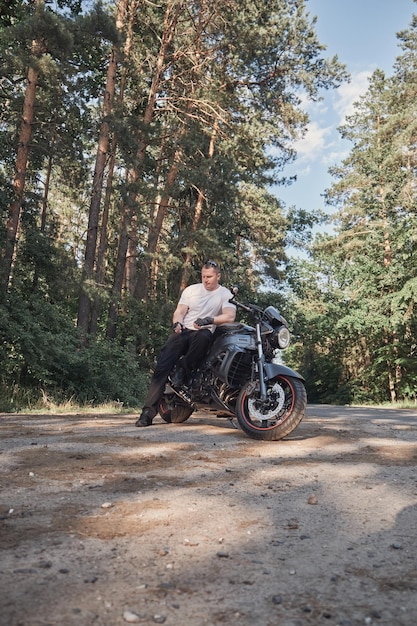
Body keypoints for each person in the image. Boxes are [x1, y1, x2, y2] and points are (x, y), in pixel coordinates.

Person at [135, 260, 236, 427]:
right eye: (203, 276)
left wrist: (209, 320)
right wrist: (177, 323)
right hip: (184, 331)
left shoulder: (225, 294)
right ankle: (147, 413)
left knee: (204, 336)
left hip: (203, 333)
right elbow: (180, 310)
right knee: (162, 366)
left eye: (209, 277)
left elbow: (229, 316)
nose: (206, 280)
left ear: (218, 276)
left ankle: (183, 368)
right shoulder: (191, 290)